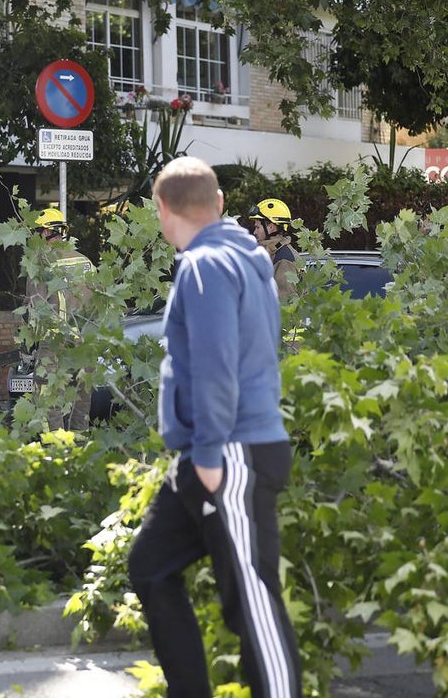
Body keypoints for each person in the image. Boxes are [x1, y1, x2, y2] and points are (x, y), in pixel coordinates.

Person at [128, 157, 301, 698]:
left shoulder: (205, 267)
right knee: (151, 566)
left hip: (229, 453)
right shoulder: (241, 257)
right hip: (217, 453)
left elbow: (216, 366)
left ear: (162, 209)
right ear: (220, 204)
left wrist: (206, 456)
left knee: (252, 601)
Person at [25, 206, 94, 429]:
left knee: (47, 398)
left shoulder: (41, 264)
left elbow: (35, 309)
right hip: (85, 341)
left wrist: (28, 346)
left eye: (38, 233)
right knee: (81, 400)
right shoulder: (85, 262)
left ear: (46, 233)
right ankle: (80, 451)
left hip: (55, 342)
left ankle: (54, 451)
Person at [248, 198, 299, 300]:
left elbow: (285, 304)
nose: (254, 232)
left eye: (258, 227)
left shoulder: (284, 259)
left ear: (271, 227)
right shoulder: (273, 251)